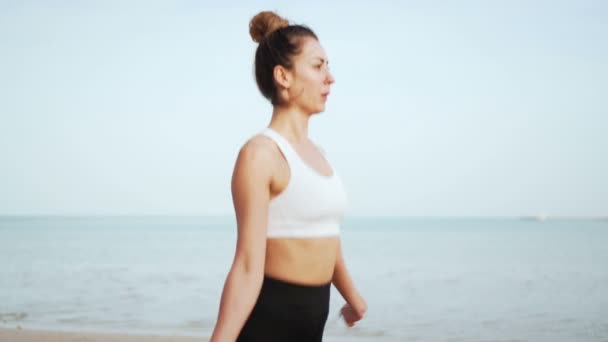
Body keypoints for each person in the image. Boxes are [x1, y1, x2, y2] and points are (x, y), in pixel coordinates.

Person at [210, 10, 367, 342]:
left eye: (328, 66)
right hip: (269, 325)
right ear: (283, 76)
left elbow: (326, 235)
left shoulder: (319, 155)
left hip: (311, 325)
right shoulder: (260, 155)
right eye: (317, 65)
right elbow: (248, 265)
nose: (330, 77)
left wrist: (352, 296)